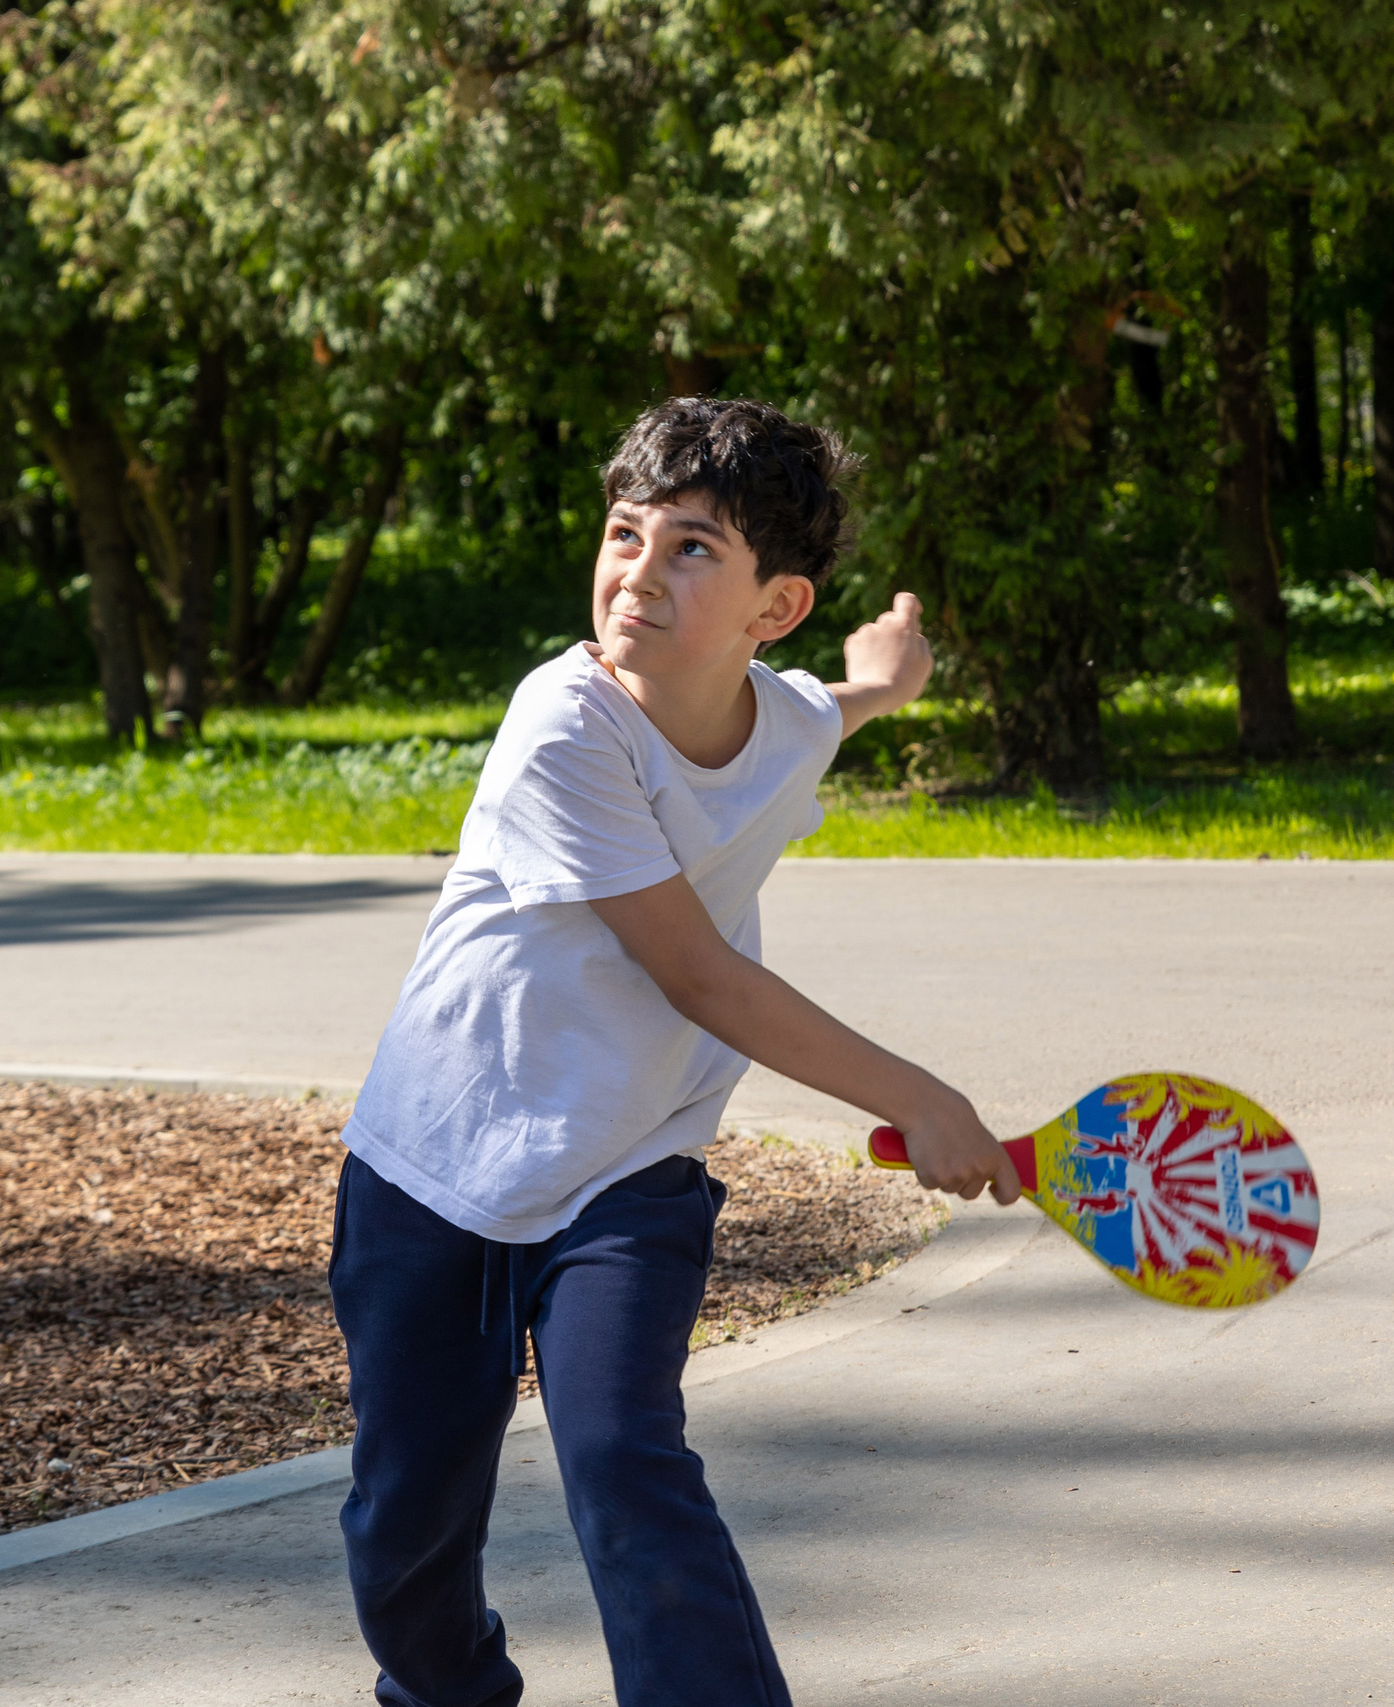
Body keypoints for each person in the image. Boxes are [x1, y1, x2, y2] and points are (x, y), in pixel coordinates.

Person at [331, 397, 1021, 1707]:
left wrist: (895, 669)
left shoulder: (782, 718)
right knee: (405, 1536)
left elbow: (841, 701)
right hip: (434, 1177)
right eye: (626, 533)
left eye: (694, 548)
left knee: (626, 1459)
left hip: (629, 1181)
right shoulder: (563, 726)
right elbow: (698, 973)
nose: (638, 571)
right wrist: (917, 1095)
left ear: (777, 608)